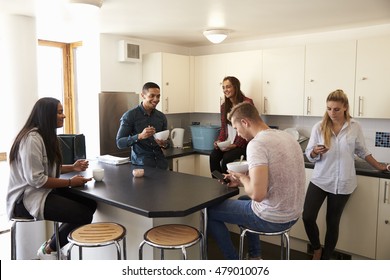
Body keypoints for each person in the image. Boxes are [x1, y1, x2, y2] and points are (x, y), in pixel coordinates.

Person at [208, 102, 306, 259]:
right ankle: (255, 257)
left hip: (273, 218)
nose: (238, 134)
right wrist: (241, 181)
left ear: (245, 122)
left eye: (236, 128)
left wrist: (244, 178)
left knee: (210, 212)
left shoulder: (256, 144)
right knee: (243, 198)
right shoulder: (287, 137)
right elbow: (273, 180)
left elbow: (258, 195)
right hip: (293, 214)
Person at [6, 97, 97, 260]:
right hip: (24, 200)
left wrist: (72, 167)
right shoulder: (31, 139)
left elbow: (45, 169)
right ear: (47, 115)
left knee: (90, 204)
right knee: (83, 214)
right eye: (60, 112)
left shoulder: (44, 136)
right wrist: (70, 182)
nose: (64, 116)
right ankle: (49, 249)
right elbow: (36, 179)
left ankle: (51, 245)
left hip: (40, 192)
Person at [303, 89, 389, 260]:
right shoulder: (319, 127)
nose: (332, 113)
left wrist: (381, 166)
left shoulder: (354, 127)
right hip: (320, 179)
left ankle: (326, 258)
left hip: (343, 182)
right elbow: (308, 154)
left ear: (345, 108)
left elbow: (362, 151)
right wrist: (315, 152)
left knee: (332, 223)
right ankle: (316, 248)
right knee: (307, 216)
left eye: (336, 109)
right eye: (329, 108)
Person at [116, 82, 170, 169]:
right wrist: (140, 136)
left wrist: (164, 143)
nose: (156, 99)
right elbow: (119, 143)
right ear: (143, 95)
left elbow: (168, 144)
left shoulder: (161, 117)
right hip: (141, 167)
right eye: (152, 95)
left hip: (161, 165)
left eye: (158, 96)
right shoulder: (130, 116)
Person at [209, 76, 254, 176]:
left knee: (227, 159)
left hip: (243, 144)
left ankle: (228, 185)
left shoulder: (247, 103)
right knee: (213, 156)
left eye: (228, 87)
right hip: (228, 143)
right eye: (223, 88)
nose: (225, 90)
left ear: (236, 87)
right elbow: (223, 128)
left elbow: (247, 128)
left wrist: (235, 145)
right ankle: (219, 181)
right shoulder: (224, 106)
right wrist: (219, 141)